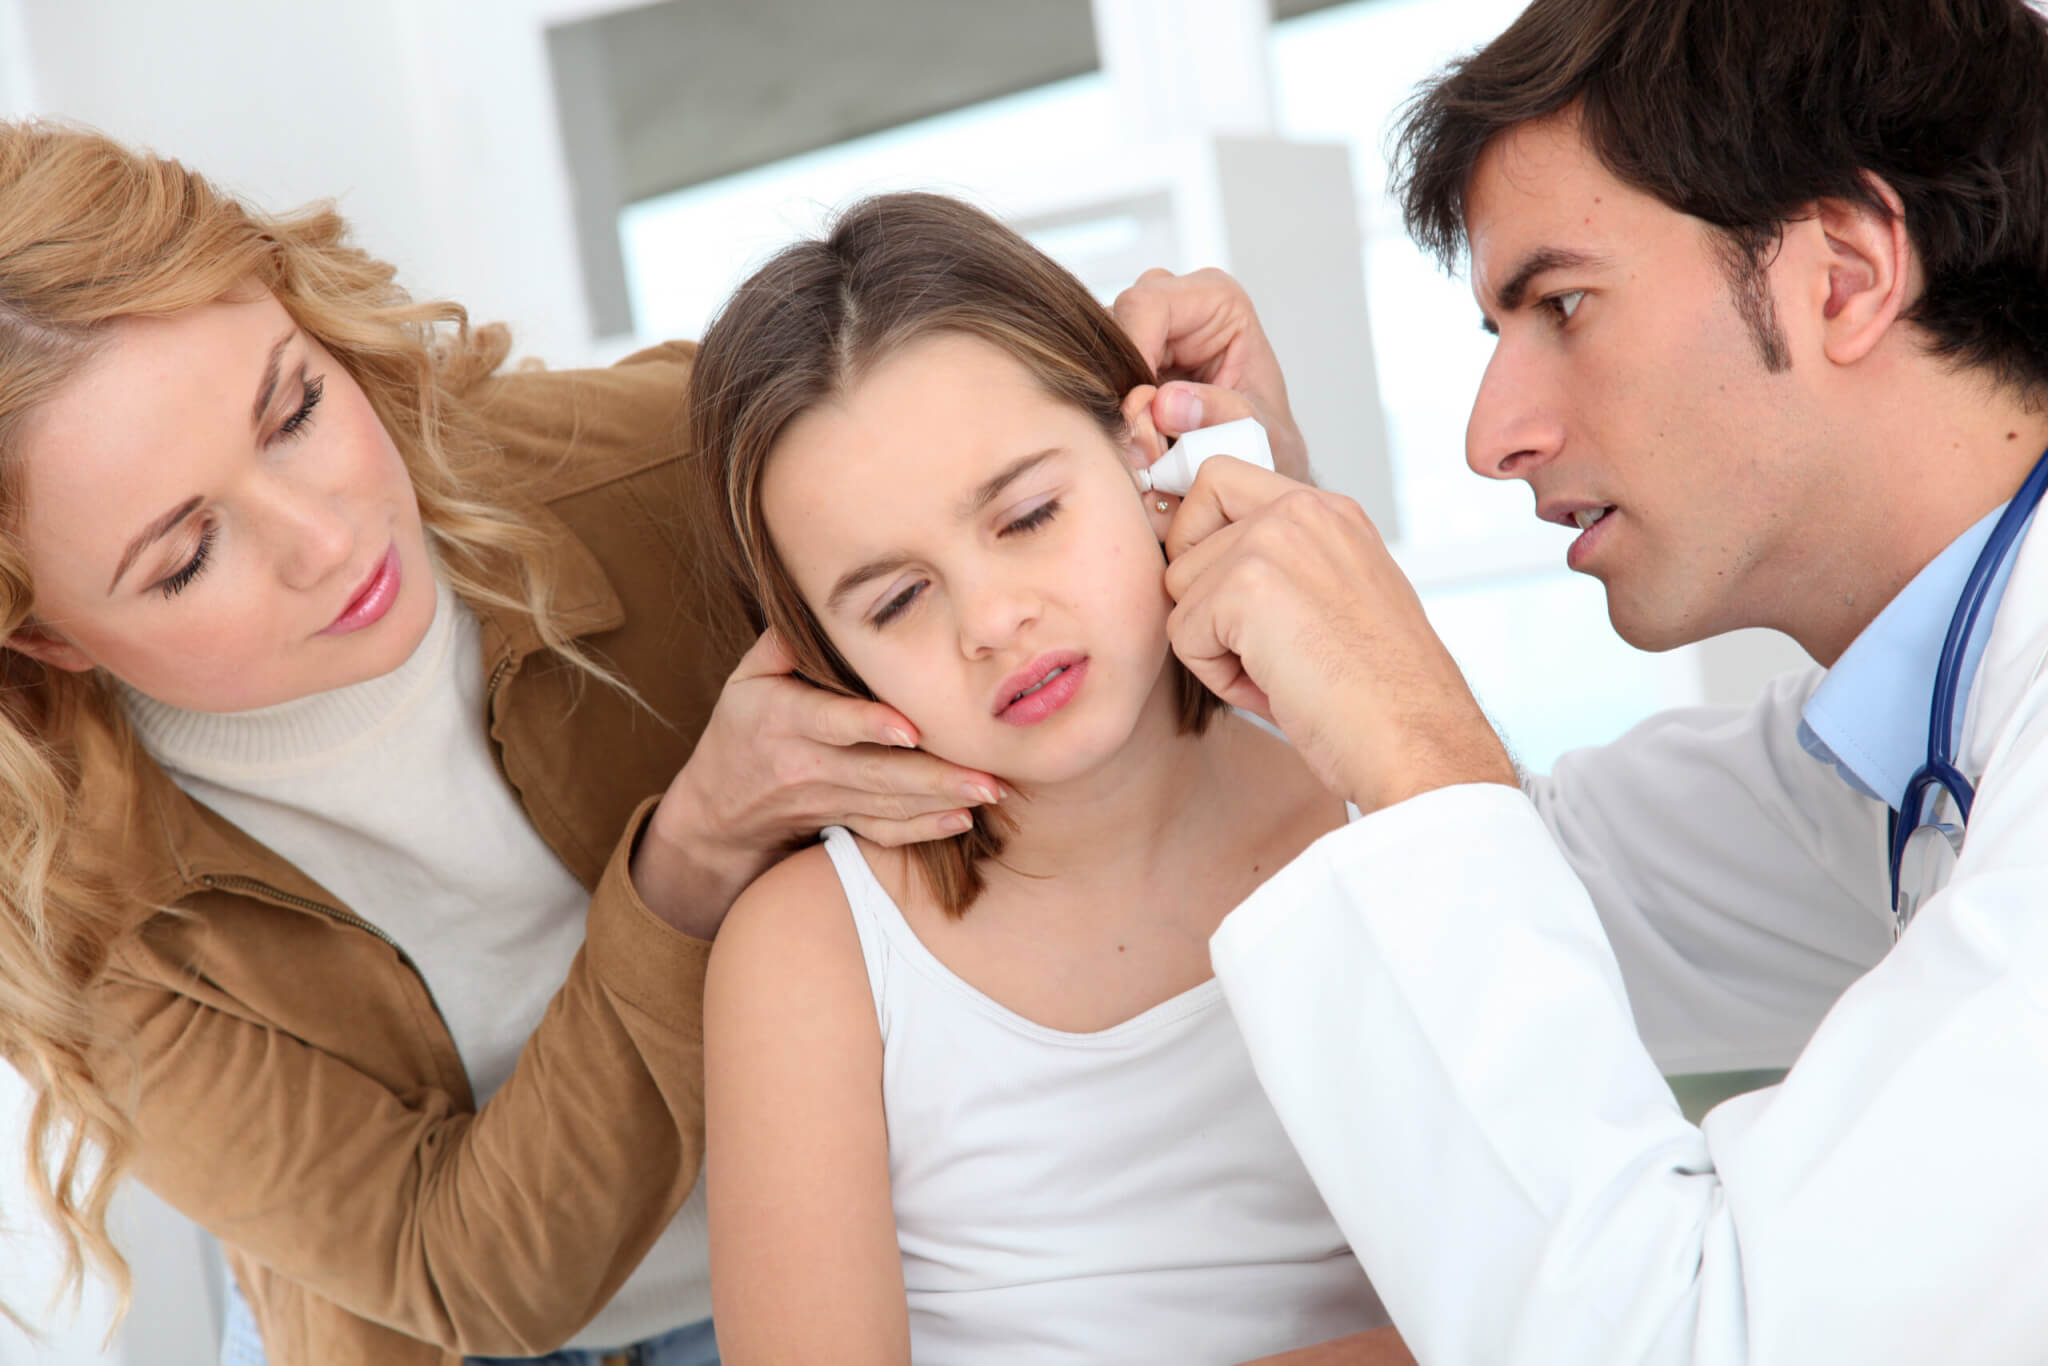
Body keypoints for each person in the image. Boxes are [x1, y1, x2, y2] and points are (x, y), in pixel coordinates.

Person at [1110, 0, 2048, 1360]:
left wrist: (1404, 730)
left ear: (1843, 273)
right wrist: (1265, 524)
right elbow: (1532, 879)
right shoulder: (1913, 735)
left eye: (1562, 305)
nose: (1497, 435)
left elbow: (1690, 1337)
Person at [0, 122, 1008, 1366]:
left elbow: (1038, 519)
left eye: (298, 407)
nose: (326, 539)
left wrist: (1222, 445)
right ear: (46, 639)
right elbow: (461, 1271)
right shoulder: (55, 900)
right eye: (187, 554)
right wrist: (691, 857)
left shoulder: (664, 466)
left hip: (879, 1254)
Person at [690, 192, 1405, 1366]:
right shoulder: (811, 954)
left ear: (1147, 456)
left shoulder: (1382, 813)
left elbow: (1572, 1290)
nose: (991, 619)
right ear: (821, 661)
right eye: (894, 599)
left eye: (1026, 516)